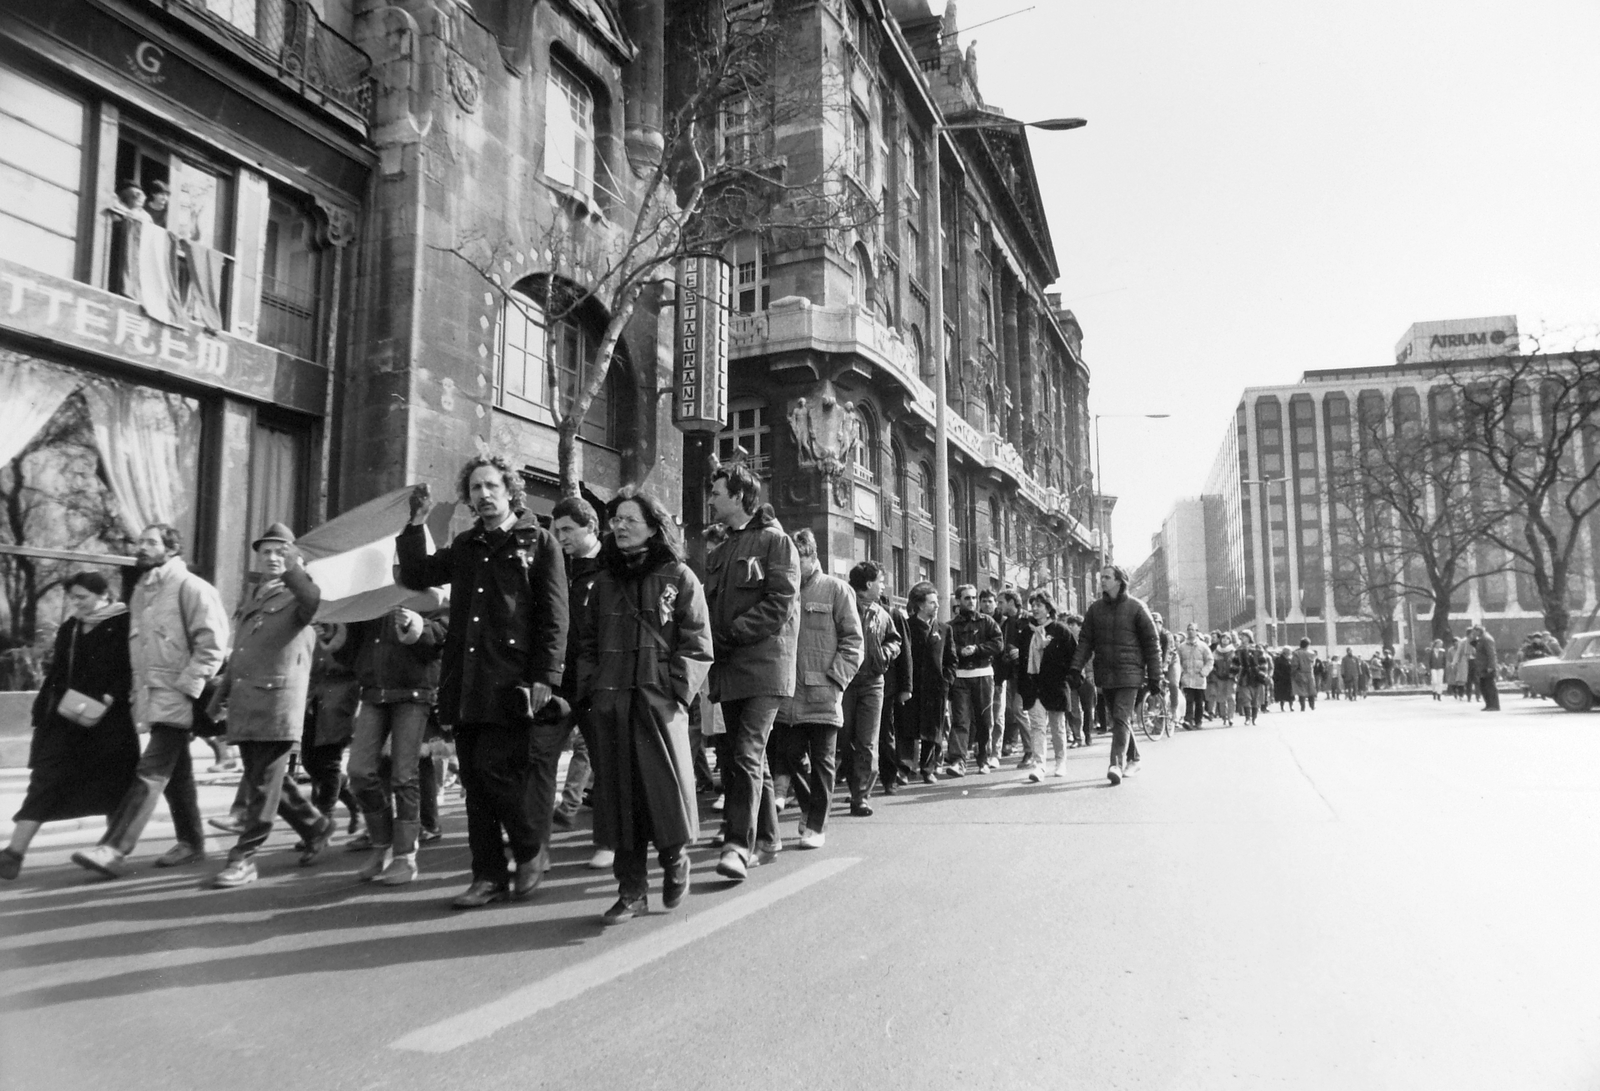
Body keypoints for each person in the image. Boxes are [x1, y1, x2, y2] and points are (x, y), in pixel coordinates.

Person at [397, 457, 568, 909]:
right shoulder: (467, 544)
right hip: (467, 682)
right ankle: (488, 876)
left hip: (512, 681)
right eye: (475, 488)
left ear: (510, 490)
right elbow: (417, 574)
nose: (484, 495)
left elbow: (554, 617)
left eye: (492, 486)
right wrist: (416, 524)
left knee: (497, 773)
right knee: (474, 782)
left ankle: (529, 848)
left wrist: (545, 676)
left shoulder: (539, 542)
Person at [576, 489, 713, 923]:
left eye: (629, 519)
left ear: (653, 527)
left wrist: (674, 692)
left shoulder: (680, 577)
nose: (618, 526)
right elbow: (586, 644)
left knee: (663, 793)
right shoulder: (603, 582)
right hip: (612, 705)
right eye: (615, 519)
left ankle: (675, 862)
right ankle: (631, 891)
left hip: (658, 707)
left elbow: (697, 643)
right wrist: (594, 691)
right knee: (620, 802)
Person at [71, 525, 229, 878]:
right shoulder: (141, 593)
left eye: (150, 542)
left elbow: (212, 644)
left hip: (177, 695)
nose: (141, 547)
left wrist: (188, 687)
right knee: (177, 774)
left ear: (171, 549)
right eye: (140, 541)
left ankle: (113, 849)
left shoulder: (192, 587)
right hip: (152, 697)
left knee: (151, 770)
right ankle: (192, 842)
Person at [204, 523, 334, 888]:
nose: (273, 558)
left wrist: (295, 569)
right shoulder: (256, 596)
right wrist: (218, 700)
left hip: (277, 706)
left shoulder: (300, 593)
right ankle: (317, 827)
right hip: (247, 704)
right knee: (268, 779)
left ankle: (243, 857)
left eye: (281, 552)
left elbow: (312, 601)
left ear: (294, 556)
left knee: (262, 784)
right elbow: (242, 654)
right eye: (267, 552)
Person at [2, 573, 138, 881]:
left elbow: (133, 667)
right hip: (65, 718)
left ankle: (111, 852)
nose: (76, 603)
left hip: (109, 722)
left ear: (104, 595)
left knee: (115, 785)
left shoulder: (125, 624)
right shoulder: (71, 627)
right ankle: (13, 854)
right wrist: (43, 711)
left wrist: (112, 695)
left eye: (82, 597)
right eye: (73, 598)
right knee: (45, 781)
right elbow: (58, 673)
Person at [703, 462, 799, 882]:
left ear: (739, 496)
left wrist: (731, 634)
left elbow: (780, 603)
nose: (710, 500)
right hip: (729, 668)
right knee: (745, 758)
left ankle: (737, 845)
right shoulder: (721, 550)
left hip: (765, 668)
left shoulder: (776, 543)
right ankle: (769, 841)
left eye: (716, 493)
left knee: (745, 752)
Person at [346, 593, 447, 885]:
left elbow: (445, 631)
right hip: (375, 689)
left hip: (414, 690)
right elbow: (352, 649)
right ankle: (383, 845)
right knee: (359, 772)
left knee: (404, 775)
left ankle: (404, 857)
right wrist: (336, 635)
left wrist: (418, 626)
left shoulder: (429, 586)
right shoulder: (371, 586)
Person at [770, 529, 861, 849]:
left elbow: (853, 642)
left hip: (823, 691)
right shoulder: (782, 591)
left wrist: (836, 680)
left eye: (798, 559)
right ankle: (809, 809)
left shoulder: (836, 590)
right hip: (787, 693)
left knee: (822, 761)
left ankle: (816, 826)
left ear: (813, 557)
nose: (793, 566)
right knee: (791, 757)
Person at [549, 496, 614, 872]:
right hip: (560, 681)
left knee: (605, 763)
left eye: (568, 530)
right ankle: (533, 846)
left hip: (597, 682)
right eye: (557, 531)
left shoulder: (611, 566)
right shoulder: (558, 565)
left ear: (591, 527)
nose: (561, 538)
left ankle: (609, 840)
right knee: (539, 758)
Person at [1068, 565, 1161, 785]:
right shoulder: (1095, 609)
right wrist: (1075, 668)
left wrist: (1155, 676)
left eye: (1107, 577)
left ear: (1120, 581)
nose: (1102, 581)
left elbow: (1152, 644)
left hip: (1130, 673)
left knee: (1120, 716)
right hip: (1105, 673)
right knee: (1120, 719)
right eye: (1101, 577)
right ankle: (1135, 758)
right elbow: (1085, 642)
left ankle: (1115, 765)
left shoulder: (1137, 607)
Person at [839, 560, 903, 814]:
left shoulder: (882, 613)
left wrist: (885, 653)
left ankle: (861, 796)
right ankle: (854, 786)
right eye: (880, 581)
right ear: (868, 584)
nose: (883, 586)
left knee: (867, 742)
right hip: (845, 682)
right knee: (846, 740)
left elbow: (895, 640)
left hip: (873, 683)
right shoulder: (842, 606)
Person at [897, 581, 954, 781]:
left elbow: (951, 660)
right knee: (907, 729)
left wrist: (946, 681)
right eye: (932, 602)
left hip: (935, 689)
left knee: (933, 730)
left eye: (936, 602)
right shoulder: (907, 626)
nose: (937, 605)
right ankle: (904, 769)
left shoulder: (944, 629)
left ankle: (927, 769)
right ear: (920, 605)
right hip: (912, 687)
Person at [945, 584, 1004, 776]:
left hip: (983, 675)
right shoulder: (951, 626)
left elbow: (998, 644)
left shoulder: (987, 622)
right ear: (958, 601)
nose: (971, 602)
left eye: (973, 598)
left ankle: (983, 758)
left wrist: (977, 649)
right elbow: (947, 650)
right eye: (967, 598)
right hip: (960, 677)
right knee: (960, 720)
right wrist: (960, 651)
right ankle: (958, 761)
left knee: (984, 720)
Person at [1017, 592, 1073, 780]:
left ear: (1049, 608)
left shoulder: (1061, 631)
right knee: (1037, 726)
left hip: (1055, 685)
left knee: (1057, 726)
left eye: (1039, 605)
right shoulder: (1026, 632)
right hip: (1033, 686)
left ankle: (1060, 762)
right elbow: (1021, 660)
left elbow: (1072, 656)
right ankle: (1039, 765)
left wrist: (1067, 677)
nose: (1034, 609)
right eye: (1032, 605)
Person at [1176, 624, 1214, 730]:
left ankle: (1198, 721)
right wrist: (1181, 672)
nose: (1190, 631)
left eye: (1193, 630)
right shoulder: (1182, 647)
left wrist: (1204, 672)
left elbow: (1210, 660)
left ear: (1197, 631)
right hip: (1187, 678)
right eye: (1189, 629)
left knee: (1199, 701)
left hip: (1199, 678)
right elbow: (1177, 660)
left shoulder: (1203, 646)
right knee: (1188, 700)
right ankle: (1188, 720)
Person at [1235, 630, 1268, 725]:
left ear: (1249, 637)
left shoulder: (1257, 648)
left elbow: (1263, 662)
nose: (1242, 638)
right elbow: (1235, 662)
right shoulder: (1239, 649)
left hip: (1256, 676)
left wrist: (1262, 673)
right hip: (1244, 676)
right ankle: (1247, 718)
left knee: (1255, 699)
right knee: (1246, 698)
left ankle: (1254, 718)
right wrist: (1233, 674)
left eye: (1244, 636)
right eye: (1241, 636)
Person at [1211, 631, 1239, 727]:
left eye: (1227, 638)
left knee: (1231, 697)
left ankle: (1231, 717)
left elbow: (1237, 664)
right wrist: (1216, 673)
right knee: (1221, 698)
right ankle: (1224, 716)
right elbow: (1212, 664)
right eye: (1223, 638)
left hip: (1231, 678)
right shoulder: (1216, 652)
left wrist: (1233, 673)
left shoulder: (1233, 651)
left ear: (1230, 640)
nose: (1225, 640)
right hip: (1220, 678)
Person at [1472, 624, 1500, 711]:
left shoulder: (1486, 639)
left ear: (1479, 630)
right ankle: (1488, 704)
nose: (1474, 633)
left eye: (1475, 631)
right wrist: (1473, 638)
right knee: (1483, 686)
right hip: (1482, 667)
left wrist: (1491, 666)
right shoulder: (1481, 639)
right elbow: (1475, 645)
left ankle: (1494, 705)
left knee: (1490, 686)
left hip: (1487, 667)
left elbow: (1491, 654)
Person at [1291, 639, 1319, 711]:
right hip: (1310, 673)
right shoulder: (1312, 653)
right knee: (1311, 690)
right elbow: (1313, 664)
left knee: (1301, 690)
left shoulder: (1296, 653)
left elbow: (1294, 664)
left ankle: (1302, 707)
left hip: (1300, 672)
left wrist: (1293, 672)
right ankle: (1312, 706)